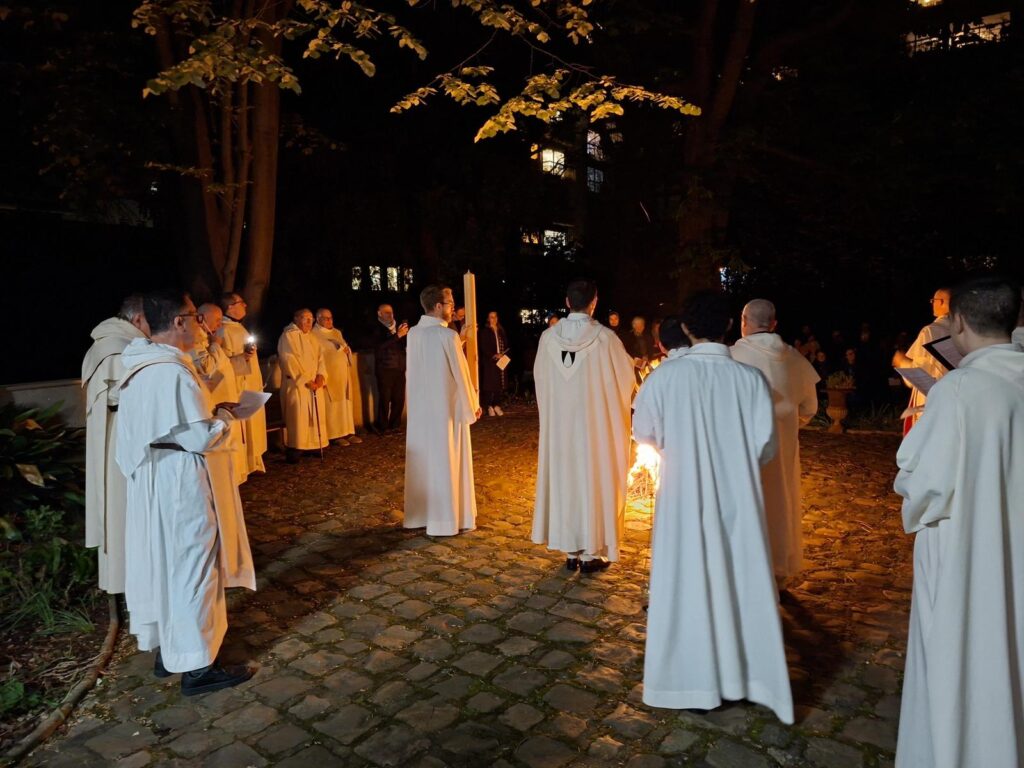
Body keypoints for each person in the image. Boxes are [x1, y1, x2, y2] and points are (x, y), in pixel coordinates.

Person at [633, 295, 791, 724]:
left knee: (687, 581)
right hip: (737, 496)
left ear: (686, 329)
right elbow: (765, 446)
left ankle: (690, 678)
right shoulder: (750, 379)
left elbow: (644, 433)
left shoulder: (665, 378)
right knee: (736, 579)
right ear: (729, 327)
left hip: (683, 496)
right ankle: (739, 675)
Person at [893, 275, 1024, 768]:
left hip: (968, 546)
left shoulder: (960, 389)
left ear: (960, 322)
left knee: (962, 651)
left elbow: (925, 483)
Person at [116, 290, 255, 695]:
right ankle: (197, 666)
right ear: (178, 322)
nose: (203, 326)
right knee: (194, 564)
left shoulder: (141, 366)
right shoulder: (172, 371)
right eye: (195, 317)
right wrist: (225, 416)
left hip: (153, 479)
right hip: (179, 480)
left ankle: (170, 650)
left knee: (164, 564)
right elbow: (198, 436)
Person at [532, 279, 634, 573]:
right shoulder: (606, 339)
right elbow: (625, 380)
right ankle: (590, 554)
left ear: (567, 302)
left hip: (561, 429)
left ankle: (570, 550)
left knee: (566, 481)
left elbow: (541, 380)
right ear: (594, 303)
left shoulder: (548, 339)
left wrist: (555, 410)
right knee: (592, 481)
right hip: (594, 429)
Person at [730, 299, 819, 585]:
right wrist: (786, 424)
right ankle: (778, 567)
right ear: (774, 324)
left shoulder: (732, 357)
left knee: (748, 502)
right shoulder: (793, 358)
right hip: (782, 445)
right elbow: (809, 408)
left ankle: (745, 571)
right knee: (780, 501)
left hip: (743, 448)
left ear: (744, 322)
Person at [81, 295, 149, 594]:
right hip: (121, 436)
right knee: (122, 508)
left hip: (124, 430)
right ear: (137, 319)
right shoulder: (116, 348)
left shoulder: (116, 343)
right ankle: (127, 579)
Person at [404, 285, 481, 536]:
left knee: (426, 461)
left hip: (421, 411)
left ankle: (422, 515)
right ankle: (448, 519)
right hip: (446, 409)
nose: (452, 307)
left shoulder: (414, 334)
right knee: (447, 459)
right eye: (450, 303)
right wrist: (472, 405)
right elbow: (460, 373)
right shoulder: (447, 336)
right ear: (438, 306)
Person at [191, 304, 247, 485]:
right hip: (215, 403)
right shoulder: (196, 340)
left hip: (226, 398)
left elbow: (223, 366)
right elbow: (206, 367)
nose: (219, 324)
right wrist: (215, 345)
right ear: (202, 318)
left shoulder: (209, 338)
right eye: (216, 320)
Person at [217, 292, 267, 474]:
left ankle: (253, 462)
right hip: (239, 386)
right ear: (230, 307)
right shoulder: (222, 330)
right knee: (244, 429)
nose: (245, 305)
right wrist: (242, 358)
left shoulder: (239, 328)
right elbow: (221, 363)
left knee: (253, 427)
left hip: (250, 383)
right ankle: (244, 466)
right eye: (241, 302)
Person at [894, 287, 951, 434]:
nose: (932, 304)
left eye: (933, 301)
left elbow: (919, 374)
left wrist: (901, 361)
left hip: (932, 399)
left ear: (941, 302)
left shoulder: (931, 331)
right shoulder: (964, 330)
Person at [277, 308, 329, 463]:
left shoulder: (312, 337)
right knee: (298, 418)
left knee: (315, 416)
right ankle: (296, 448)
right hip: (297, 384)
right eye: (305, 318)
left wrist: (320, 376)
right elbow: (288, 360)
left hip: (314, 384)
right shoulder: (288, 336)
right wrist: (306, 380)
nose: (309, 322)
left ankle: (314, 445)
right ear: (296, 319)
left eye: (311, 319)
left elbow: (320, 358)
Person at [312, 308, 362, 446]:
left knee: (345, 404)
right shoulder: (313, 334)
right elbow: (317, 355)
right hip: (330, 375)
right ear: (318, 319)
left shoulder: (337, 332)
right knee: (333, 406)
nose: (329, 321)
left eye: (331, 317)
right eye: (326, 318)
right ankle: (335, 435)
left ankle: (348, 432)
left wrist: (346, 350)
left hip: (343, 375)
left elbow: (345, 347)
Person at [368, 303, 408, 433]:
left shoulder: (399, 327)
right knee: (385, 399)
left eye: (391, 312)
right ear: (379, 313)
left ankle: (395, 425)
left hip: (399, 368)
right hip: (384, 369)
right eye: (386, 312)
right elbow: (379, 346)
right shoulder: (376, 328)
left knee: (399, 399)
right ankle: (382, 426)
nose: (390, 315)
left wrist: (404, 335)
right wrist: (397, 336)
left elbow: (405, 346)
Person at [479, 311, 509, 416]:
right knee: (489, 384)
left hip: (501, 360)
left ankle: (497, 405)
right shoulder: (485, 331)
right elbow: (484, 346)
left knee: (499, 384)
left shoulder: (501, 330)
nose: (494, 319)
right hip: (490, 361)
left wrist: (503, 354)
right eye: (491, 317)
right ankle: (489, 406)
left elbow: (505, 344)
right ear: (488, 319)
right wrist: (494, 355)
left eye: (495, 317)